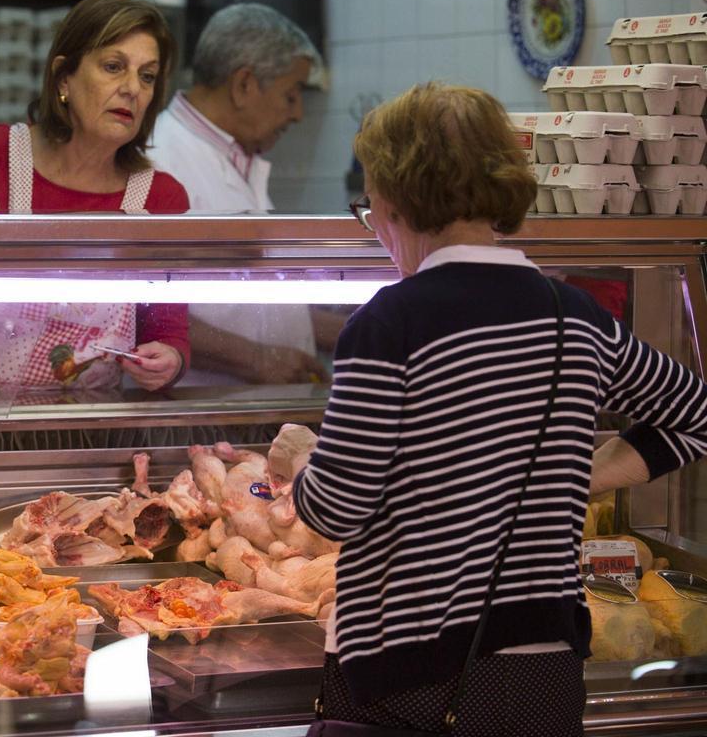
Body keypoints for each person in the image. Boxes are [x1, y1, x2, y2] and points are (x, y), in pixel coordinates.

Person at [273, 81, 707, 736]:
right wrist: (577, 475)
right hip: (545, 674)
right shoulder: (573, 316)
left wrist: (304, 460)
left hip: (412, 677)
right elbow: (695, 412)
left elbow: (338, 508)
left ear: (393, 199)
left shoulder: (390, 323)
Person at [0, 0, 188, 393]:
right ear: (63, 77)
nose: (132, 89)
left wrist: (169, 361)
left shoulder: (160, 199)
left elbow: (168, 332)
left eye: (147, 76)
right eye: (113, 67)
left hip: (85, 438)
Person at [146, 2, 329, 386]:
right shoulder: (158, 159)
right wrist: (255, 359)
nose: (297, 114)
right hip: (192, 414)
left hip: (246, 410)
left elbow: (248, 302)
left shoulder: (234, 157)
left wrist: (360, 329)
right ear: (244, 85)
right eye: (291, 94)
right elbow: (142, 310)